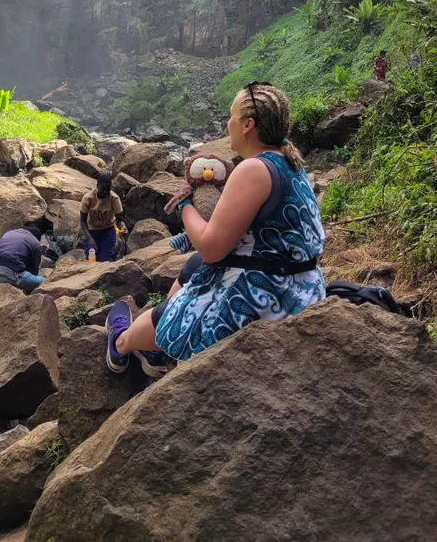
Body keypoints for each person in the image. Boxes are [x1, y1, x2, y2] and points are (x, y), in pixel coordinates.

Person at [104, 82, 326, 378]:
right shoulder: (288, 162)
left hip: (270, 296)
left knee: (187, 287)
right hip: (302, 283)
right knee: (192, 267)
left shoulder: (253, 170)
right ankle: (159, 345)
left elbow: (211, 248)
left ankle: (121, 343)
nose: (226, 124)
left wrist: (185, 206)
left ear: (247, 125)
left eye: (231, 116)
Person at [80, 173, 127, 263]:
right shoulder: (88, 198)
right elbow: (82, 221)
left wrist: (123, 227)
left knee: (104, 260)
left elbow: (119, 220)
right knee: (91, 260)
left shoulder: (114, 199)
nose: (105, 192)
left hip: (108, 230)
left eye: (108, 190)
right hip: (92, 230)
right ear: (97, 186)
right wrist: (90, 238)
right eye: (102, 189)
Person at [0, 225, 45, 293]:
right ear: (37, 237)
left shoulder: (9, 233)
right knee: (44, 282)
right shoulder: (35, 243)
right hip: (9, 278)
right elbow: (34, 271)